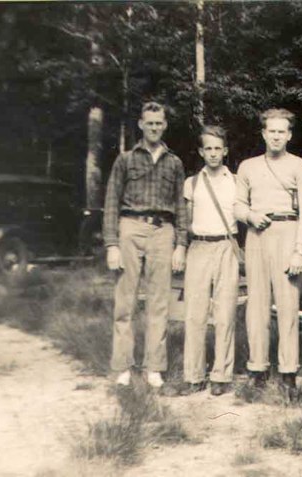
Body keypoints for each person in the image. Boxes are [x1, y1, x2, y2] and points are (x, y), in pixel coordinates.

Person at [103, 101, 187, 389]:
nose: (154, 127)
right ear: (141, 124)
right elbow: (111, 202)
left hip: (163, 231)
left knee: (159, 302)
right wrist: (112, 245)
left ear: (165, 125)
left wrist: (181, 244)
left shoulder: (174, 162)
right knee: (125, 301)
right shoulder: (125, 159)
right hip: (130, 228)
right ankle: (123, 367)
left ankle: (154, 367)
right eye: (149, 123)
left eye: (158, 123)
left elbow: (180, 206)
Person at [234, 108, 302, 399]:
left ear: (289, 135)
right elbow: (237, 205)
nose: (276, 136)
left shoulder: (301, 167)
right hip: (257, 235)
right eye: (272, 131)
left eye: (282, 131)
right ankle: (257, 369)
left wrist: (299, 251)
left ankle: (288, 371)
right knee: (256, 304)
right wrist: (250, 216)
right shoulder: (248, 166)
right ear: (263, 133)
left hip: (288, 232)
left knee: (288, 305)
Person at [179, 125, 239, 397]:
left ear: (225, 151)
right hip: (199, 247)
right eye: (208, 149)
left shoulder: (236, 181)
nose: (213, 153)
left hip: (226, 247)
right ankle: (193, 374)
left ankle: (221, 375)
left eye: (218, 148)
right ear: (201, 152)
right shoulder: (191, 183)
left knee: (225, 313)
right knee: (195, 313)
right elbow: (186, 221)